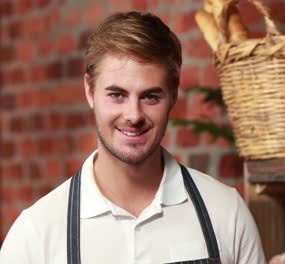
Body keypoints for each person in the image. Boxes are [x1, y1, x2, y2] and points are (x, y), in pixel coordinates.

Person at [0, 11, 266, 264]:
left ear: (173, 95)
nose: (133, 115)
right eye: (117, 95)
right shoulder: (36, 233)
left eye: (151, 96)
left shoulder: (225, 213)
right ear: (89, 91)